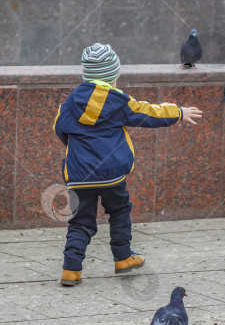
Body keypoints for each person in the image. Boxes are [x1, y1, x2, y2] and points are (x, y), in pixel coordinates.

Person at [53, 43, 202, 286]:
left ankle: (71, 269)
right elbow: (149, 113)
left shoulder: (69, 104)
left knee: (80, 221)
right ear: (113, 75)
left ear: (86, 74)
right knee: (120, 210)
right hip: (111, 174)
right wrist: (179, 112)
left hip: (79, 175)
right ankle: (123, 258)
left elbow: (59, 130)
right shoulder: (118, 101)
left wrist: (79, 151)